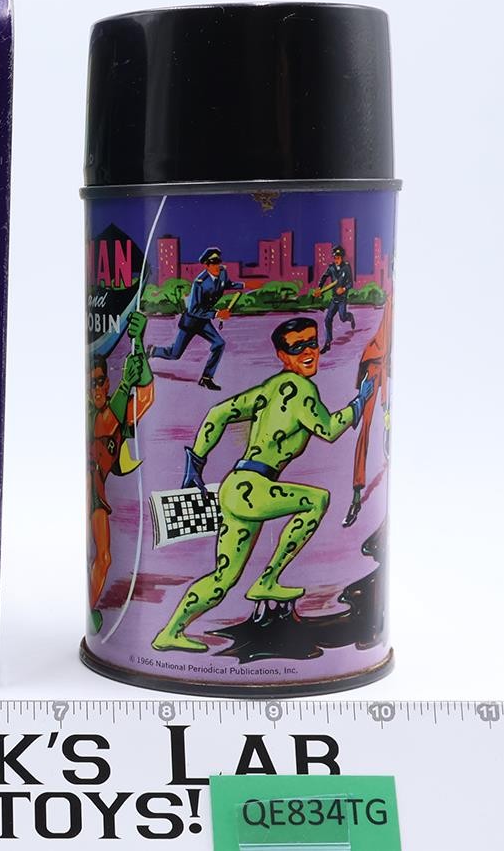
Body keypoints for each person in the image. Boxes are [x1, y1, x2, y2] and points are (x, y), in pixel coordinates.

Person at [151, 317, 374, 653]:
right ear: (282, 355)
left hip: (237, 488)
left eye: (312, 343)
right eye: (297, 347)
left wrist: (195, 462)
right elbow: (328, 429)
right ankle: (268, 579)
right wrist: (358, 404)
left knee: (223, 580)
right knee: (316, 500)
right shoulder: (299, 388)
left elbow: (218, 413)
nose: (308, 352)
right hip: (254, 488)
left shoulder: (270, 388)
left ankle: (169, 632)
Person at [87, 311, 155, 633]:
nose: (98, 389)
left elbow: (146, 399)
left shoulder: (113, 412)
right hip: (92, 492)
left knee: (104, 558)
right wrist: (126, 382)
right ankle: (94, 612)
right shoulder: (95, 415)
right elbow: (105, 424)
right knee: (102, 556)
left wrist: (139, 345)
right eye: (92, 383)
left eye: (102, 381)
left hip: (99, 495)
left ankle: (94, 609)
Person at [149, 247, 244, 390]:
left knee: (219, 344)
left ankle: (206, 378)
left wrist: (244, 285)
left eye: (218, 261)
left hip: (204, 322)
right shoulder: (199, 283)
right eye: (213, 262)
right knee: (174, 354)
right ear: (206, 265)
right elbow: (193, 310)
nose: (217, 265)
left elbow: (227, 284)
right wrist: (217, 314)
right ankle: (152, 351)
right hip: (191, 322)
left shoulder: (222, 273)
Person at [346, 293, 393, 526]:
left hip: (385, 364)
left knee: (381, 426)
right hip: (375, 365)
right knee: (365, 429)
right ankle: (356, 494)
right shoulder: (390, 300)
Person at [313, 245, 355, 352]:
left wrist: (344, 289)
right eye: (335, 258)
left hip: (342, 299)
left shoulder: (346, 267)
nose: (336, 260)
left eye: (338, 258)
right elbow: (324, 277)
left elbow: (351, 283)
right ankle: (328, 342)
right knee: (328, 319)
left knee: (343, 317)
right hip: (334, 298)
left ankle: (350, 317)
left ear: (342, 257)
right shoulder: (331, 268)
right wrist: (319, 288)